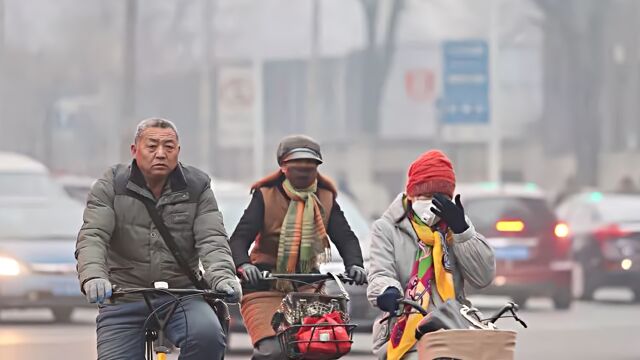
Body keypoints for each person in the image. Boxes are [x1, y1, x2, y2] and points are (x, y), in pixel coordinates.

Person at [75, 118, 241, 360]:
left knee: (208, 336)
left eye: (169, 147)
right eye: (152, 146)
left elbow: (212, 239)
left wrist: (223, 277)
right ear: (135, 150)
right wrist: (94, 277)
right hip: (124, 296)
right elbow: (93, 236)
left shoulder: (198, 186)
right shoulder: (111, 184)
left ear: (178, 151)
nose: (161, 154)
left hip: (182, 295)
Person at [229, 134, 367, 360]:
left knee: (320, 345)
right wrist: (244, 265)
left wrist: (356, 265)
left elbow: (346, 238)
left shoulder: (325, 197)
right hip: (264, 285)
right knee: (272, 351)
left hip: (306, 287)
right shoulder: (265, 195)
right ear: (283, 167)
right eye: (297, 165)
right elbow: (238, 239)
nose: (304, 171)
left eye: (310, 165)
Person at [366, 150, 495, 360]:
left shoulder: (456, 226)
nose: (432, 202)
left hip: (454, 325)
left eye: (440, 197)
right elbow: (380, 272)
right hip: (406, 325)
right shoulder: (387, 228)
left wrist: (462, 231)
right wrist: (388, 290)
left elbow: (483, 277)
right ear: (411, 194)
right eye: (425, 196)